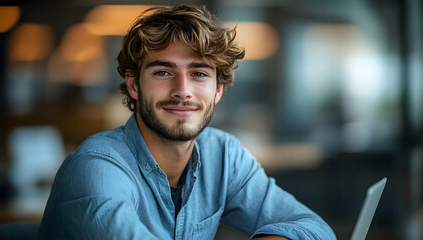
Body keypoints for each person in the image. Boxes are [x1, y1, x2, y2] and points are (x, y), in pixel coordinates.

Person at [38, 4, 336, 240]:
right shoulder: (95, 167)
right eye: (163, 72)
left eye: (199, 73)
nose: (182, 90)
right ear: (133, 85)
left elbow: (315, 228)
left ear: (218, 90)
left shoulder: (223, 155)